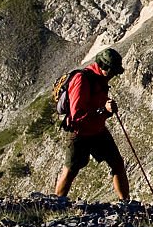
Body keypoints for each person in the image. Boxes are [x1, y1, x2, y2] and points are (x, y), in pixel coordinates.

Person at [54, 48, 130, 201]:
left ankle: (125, 203)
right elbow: (77, 116)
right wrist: (104, 110)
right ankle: (56, 203)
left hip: (97, 130)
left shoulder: (99, 79)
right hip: (79, 133)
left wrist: (106, 111)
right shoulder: (82, 80)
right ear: (103, 68)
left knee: (118, 164)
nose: (114, 75)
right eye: (112, 72)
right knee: (70, 171)